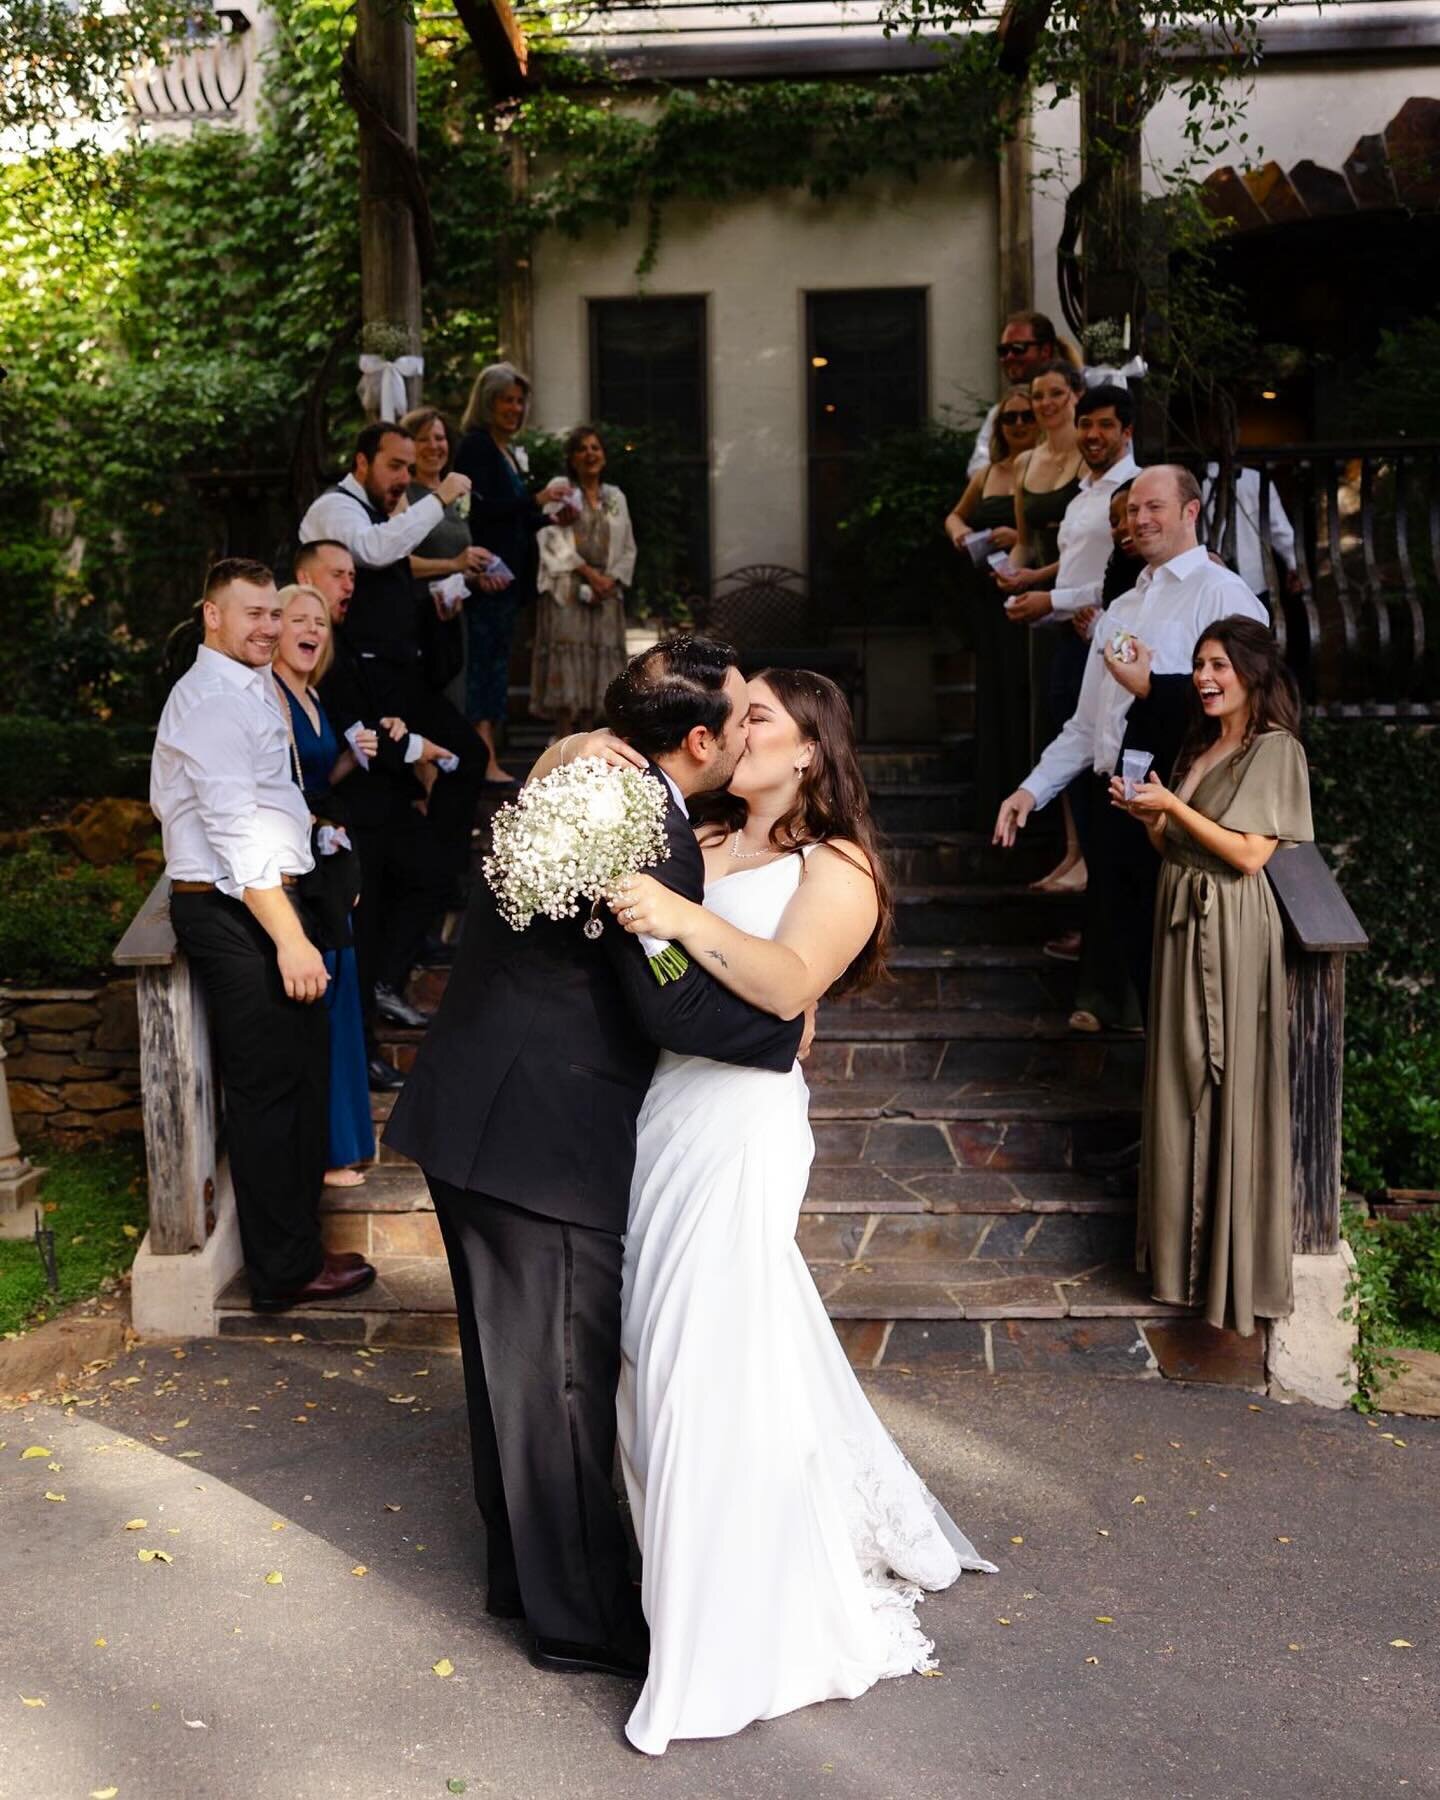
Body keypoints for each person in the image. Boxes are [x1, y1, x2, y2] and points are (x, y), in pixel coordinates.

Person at [383, 636, 808, 1682]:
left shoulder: (593, 780)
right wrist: (781, 1038)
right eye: (743, 713)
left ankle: (521, 1582)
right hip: (542, 1136)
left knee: (511, 1376)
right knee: (562, 1384)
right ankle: (582, 1624)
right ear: (698, 738)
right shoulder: (638, 819)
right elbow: (662, 993)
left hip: (479, 1115)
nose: (752, 727)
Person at [606, 667, 996, 1757]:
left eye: (759, 717)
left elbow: (785, 989)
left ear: (811, 750)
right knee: (653, 1352)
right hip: (662, 1110)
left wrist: (676, 915)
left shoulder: (840, 866)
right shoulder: (700, 832)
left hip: (741, 1123)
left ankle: (728, 1635)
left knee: (699, 1363)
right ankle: (674, 1574)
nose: (737, 729)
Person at [150, 558, 375, 1311]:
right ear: (211, 615)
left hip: (271, 901)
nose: (269, 627)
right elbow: (236, 835)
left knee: (300, 1079)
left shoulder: (249, 691)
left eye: (272, 614)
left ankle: (296, 1250)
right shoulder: (211, 700)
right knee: (270, 1092)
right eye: (252, 614)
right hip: (236, 912)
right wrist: (289, 937)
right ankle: (282, 1272)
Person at [993, 465, 1270, 1020]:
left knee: (1184, 977)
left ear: (1190, 512)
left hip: (1182, 807)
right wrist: (1032, 789)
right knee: (1140, 967)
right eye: (1131, 511)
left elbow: (1253, 697)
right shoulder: (1121, 609)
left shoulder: (1223, 593)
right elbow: (1086, 724)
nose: (1138, 521)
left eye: (1154, 508)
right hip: (1111, 803)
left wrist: (1153, 687)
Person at [1111, 616, 1312, 1335]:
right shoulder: (1204, 743)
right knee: (1175, 1079)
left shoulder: (1274, 749)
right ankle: (1178, 1263)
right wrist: (1150, 816)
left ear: (1253, 672)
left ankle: (1229, 1273)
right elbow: (1181, 844)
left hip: (1229, 924)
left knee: (1222, 1076)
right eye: (1199, 664)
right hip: (1183, 914)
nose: (1204, 677)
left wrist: (1171, 809)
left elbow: (1251, 853)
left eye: (1220, 664)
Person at [295, 538, 457, 1083]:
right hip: (334, 823)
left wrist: (391, 731)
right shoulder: (296, 661)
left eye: (352, 576)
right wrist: (410, 750)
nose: (350, 584)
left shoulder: (335, 645)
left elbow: (351, 733)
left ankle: (386, 986)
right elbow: (334, 748)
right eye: (338, 574)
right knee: (357, 933)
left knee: (429, 878)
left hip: (364, 805)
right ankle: (361, 1048)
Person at [297, 422, 484, 885]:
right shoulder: (334, 509)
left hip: (402, 675)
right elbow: (373, 551)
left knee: (462, 758)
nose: (404, 477)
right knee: (399, 784)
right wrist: (436, 499)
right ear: (361, 463)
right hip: (362, 685)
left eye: (408, 467)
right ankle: (433, 881)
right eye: (394, 466)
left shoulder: (379, 509)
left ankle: (439, 879)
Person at [272, 583, 376, 1187]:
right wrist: (316, 826)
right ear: (276, 628)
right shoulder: (273, 696)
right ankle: (330, 1152)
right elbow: (280, 785)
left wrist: (348, 755)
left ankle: (346, 1144)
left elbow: (316, 777)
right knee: (323, 1001)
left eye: (321, 622)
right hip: (297, 867)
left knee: (342, 997)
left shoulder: (310, 695)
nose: (313, 629)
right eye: (299, 619)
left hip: (326, 860)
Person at [454, 363, 576, 783]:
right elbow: (481, 511)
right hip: (487, 579)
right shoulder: (476, 447)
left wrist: (549, 518)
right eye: (507, 399)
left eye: (520, 401)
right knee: (484, 668)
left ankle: (488, 755)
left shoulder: (505, 451)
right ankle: (483, 758)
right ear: (488, 403)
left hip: (509, 583)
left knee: (497, 666)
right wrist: (536, 499)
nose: (515, 408)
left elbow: (515, 520)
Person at [995, 360, 1087, 890]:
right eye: (1038, 396)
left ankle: (1083, 855)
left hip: (1074, 599)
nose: (1046, 403)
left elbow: (1083, 546)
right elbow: (1026, 538)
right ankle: (1069, 850)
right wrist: (1012, 574)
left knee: (1079, 718)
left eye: (1056, 393)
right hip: (1037, 600)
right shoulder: (1027, 460)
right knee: (1056, 725)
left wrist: (1041, 580)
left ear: (1074, 394)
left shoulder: (1087, 457)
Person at [944, 386, 1037, 824]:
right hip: (988, 594)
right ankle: (992, 794)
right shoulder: (989, 473)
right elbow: (954, 514)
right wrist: (963, 535)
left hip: (1032, 592)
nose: (1018, 425)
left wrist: (1017, 539)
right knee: (994, 690)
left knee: (1026, 692)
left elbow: (1056, 531)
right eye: (1010, 418)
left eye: (1026, 416)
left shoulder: (1046, 468)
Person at [532, 424, 637, 743]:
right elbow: (549, 538)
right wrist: (588, 574)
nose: (590, 454)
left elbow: (628, 545)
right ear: (571, 458)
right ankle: (563, 743)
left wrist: (611, 579)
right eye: (582, 449)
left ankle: (592, 742)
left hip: (606, 595)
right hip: (568, 593)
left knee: (598, 672)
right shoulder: (561, 490)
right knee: (568, 674)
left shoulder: (615, 497)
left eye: (595, 448)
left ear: (603, 457)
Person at [398, 406, 507, 708]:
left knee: (455, 703)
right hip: (417, 619)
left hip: (453, 618)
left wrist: (476, 577)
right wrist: (454, 564)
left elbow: (456, 559)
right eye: (423, 439)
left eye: (440, 438)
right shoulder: (404, 494)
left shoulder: (458, 494)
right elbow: (397, 560)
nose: (434, 446)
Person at [964, 312, 1082, 480]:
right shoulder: (1001, 411)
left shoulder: (1077, 405)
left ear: (1045, 351)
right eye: (1003, 350)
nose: (1009, 356)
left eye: (1018, 349)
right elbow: (977, 467)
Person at [1202, 462, 1300, 606]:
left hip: (1209, 582)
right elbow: (1280, 530)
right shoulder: (1256, 480)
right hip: (1254, 582)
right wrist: (1294, 564)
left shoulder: (1192, 483)